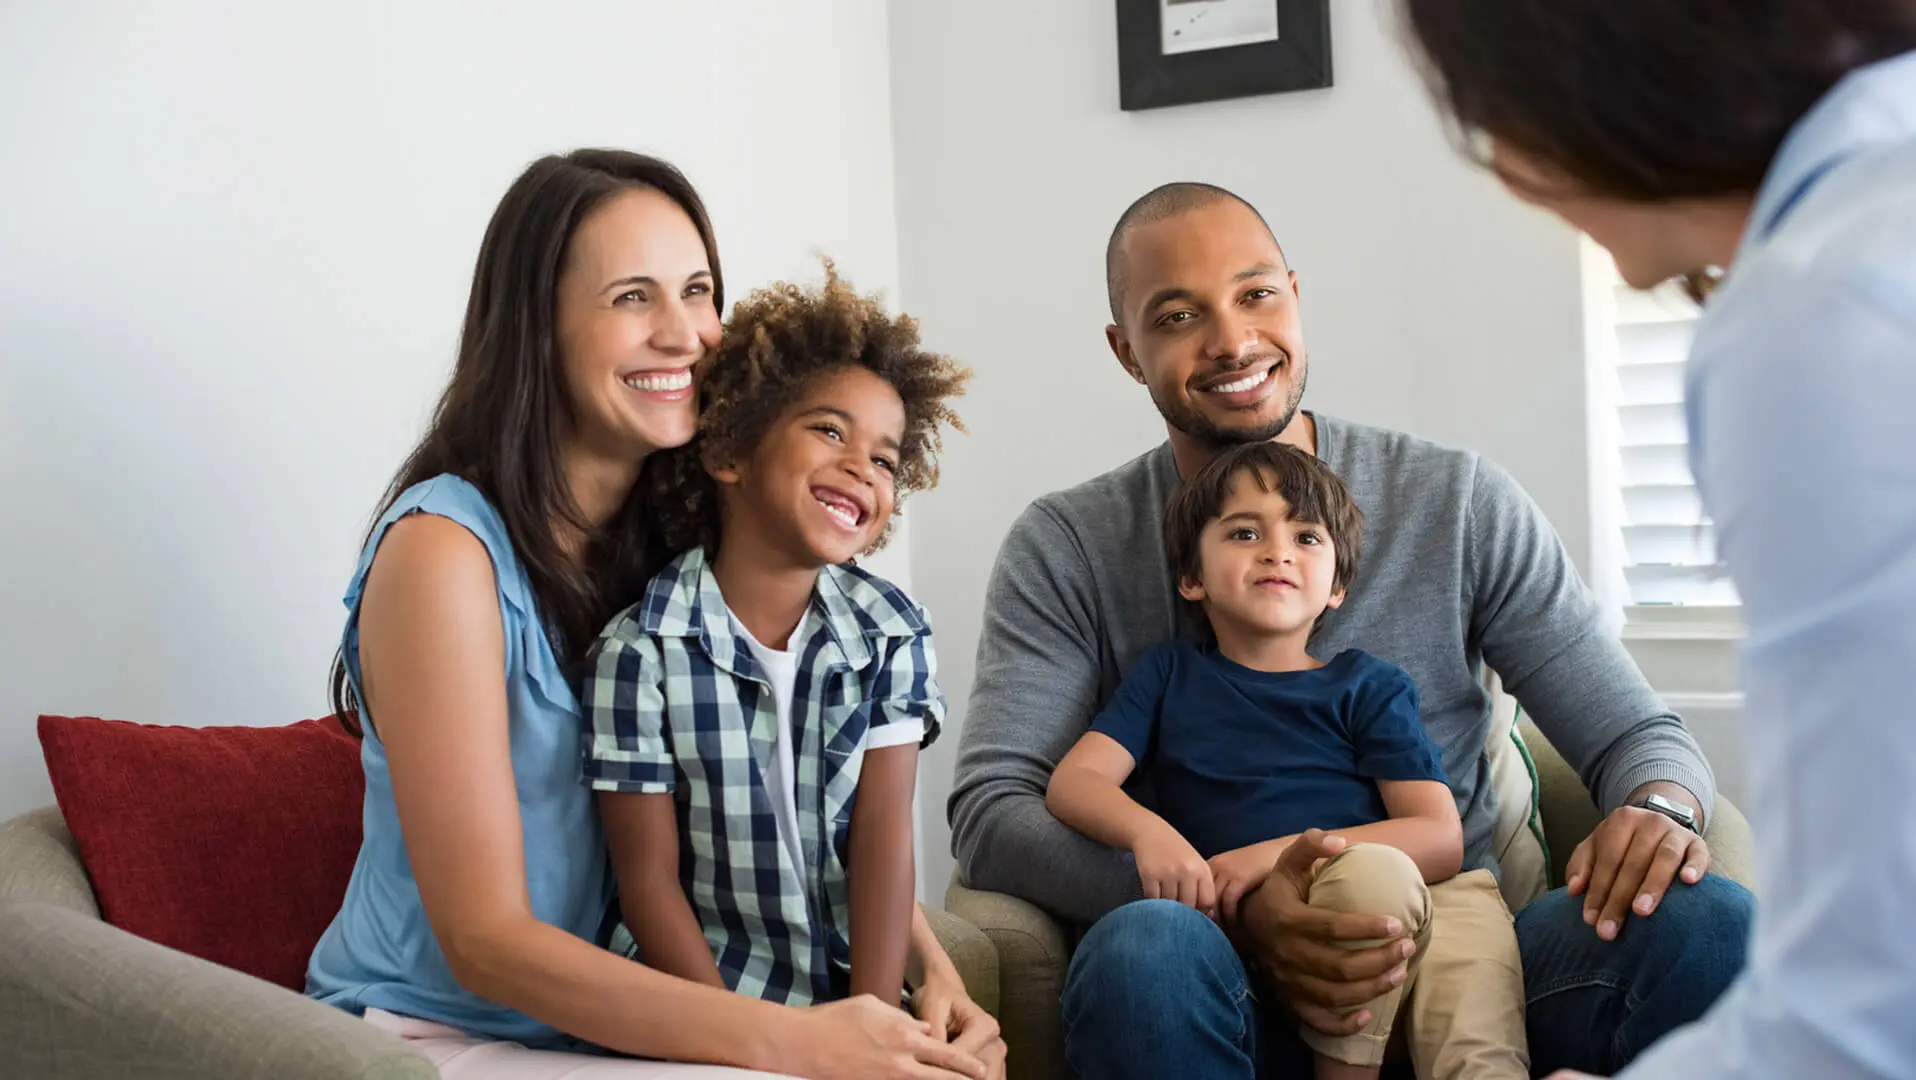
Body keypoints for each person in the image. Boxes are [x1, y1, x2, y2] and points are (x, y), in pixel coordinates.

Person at [948, 180, 1754, 1078]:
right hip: (1213, 970)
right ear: (1127, 352)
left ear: (1295, 294)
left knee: (1711, 926)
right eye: (1177, 316)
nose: (1232, 340)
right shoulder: (1070, 546)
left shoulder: (1456, 502)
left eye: (1256, 295)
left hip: (1459, 954)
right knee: (1144, 951)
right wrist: (1241, 905)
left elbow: (1639, 736)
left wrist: (1657, 807)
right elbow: (994, 811)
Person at [306, 150, 1001, 1080]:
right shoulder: (442, 554)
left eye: (699, 291)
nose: (685, 334)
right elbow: (484, 941)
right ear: (536, 326)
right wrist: (803, 1045)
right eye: (633, 297)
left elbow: (800, 809)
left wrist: (931, 979)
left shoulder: (684, 549)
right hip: (434, 1036)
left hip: (625, 1035)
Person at [1396, 4, 1916, 1079]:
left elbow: (1864, 1008)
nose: (1506, 176)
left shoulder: (1816, 315)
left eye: (1493, 114)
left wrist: (1660, 802)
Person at [1045, 441, 1527, 1080]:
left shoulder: (1368, 686)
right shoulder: (1168, 676)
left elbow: (1438, 838)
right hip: (1244, 966)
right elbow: (1075, 781)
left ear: (1338, 587)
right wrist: (1150, 835)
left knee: (1408, 920)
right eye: (1245, 532)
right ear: (1191, 576)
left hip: (1401, 909)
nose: (1277, 551)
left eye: (1306, 537)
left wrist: (1262, 858)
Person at [583, 265, 969, 1012]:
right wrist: (740, 1044)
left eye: (886, 459)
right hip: (703, 1006)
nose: (862, 465)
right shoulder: (637, 656)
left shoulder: (892, 634)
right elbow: (647, 885)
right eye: (829, 429)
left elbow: (884, 844)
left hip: (847, 1001)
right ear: (731, 452)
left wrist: (876, 1020)